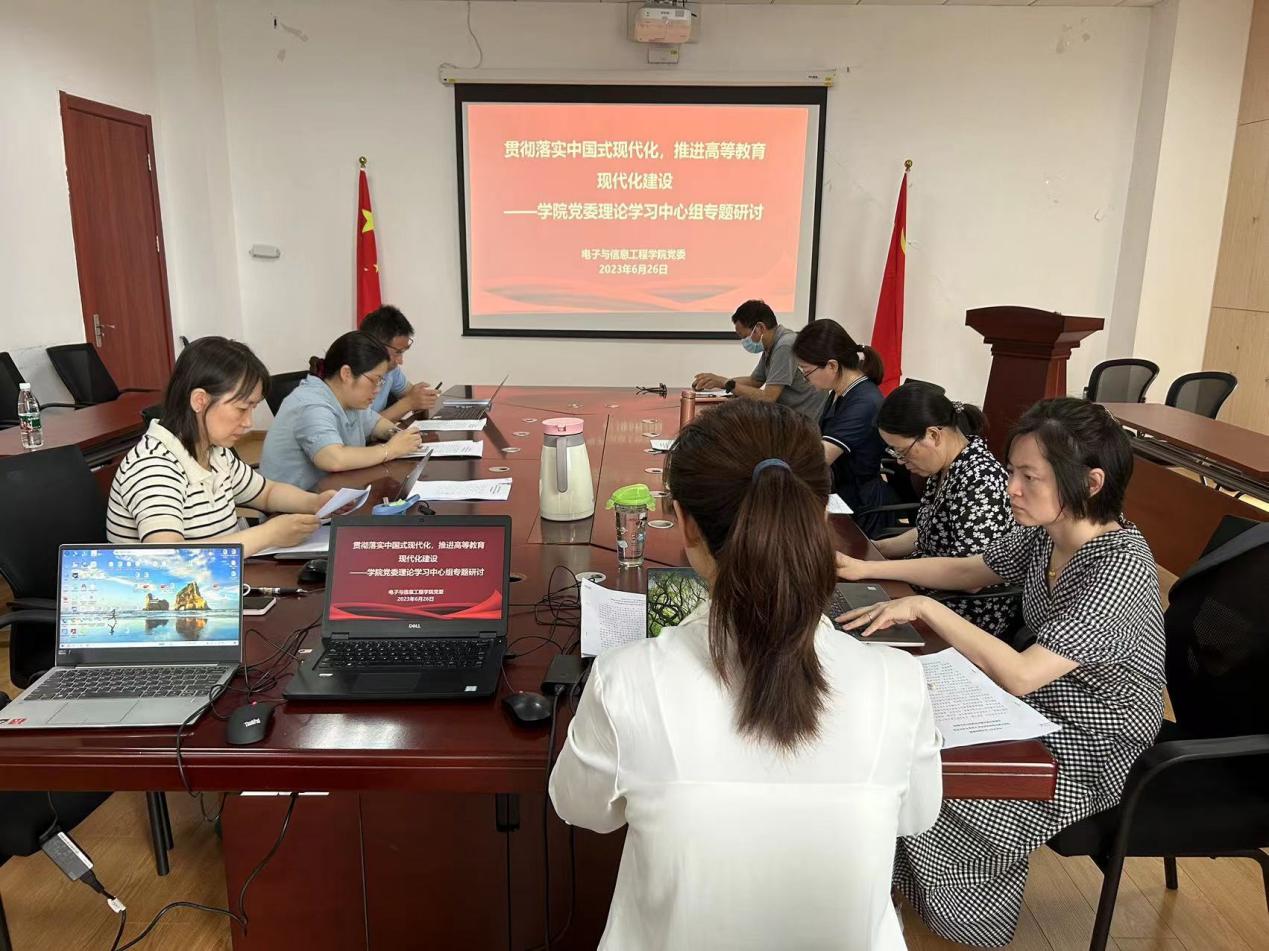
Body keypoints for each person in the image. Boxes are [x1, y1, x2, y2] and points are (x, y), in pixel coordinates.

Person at [550, 399, 941, 950]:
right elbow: (916, 817)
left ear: (684, 522)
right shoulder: (897, 681)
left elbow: (581, 808)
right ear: (817, 516)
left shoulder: (626, 680)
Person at [835, 398, 1166, 947]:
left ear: (1090, 483)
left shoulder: (1120, 565)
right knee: (901, 733)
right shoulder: (1049, 531)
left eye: (1028, 476)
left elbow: (1022, 675)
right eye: (1013, 471)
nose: (1011, 488)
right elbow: (972, 569)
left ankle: (971, 922)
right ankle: (891, 891)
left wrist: (923, 606)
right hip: (1041, 704)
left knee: (938, 776)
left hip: (1096, 737)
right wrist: (867, 568)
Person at [107, 337, 348, 557]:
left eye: (253, 408)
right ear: (200, 401)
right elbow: (170, 558)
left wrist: (315, 503)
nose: (249, 422)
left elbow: (266, 493)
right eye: (242, 409)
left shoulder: (214, 452)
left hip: (223, 579)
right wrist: (268, 535)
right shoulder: (154, 467)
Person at [872, 381, 1018, 637]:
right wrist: (877, 549)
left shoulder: (980, 480)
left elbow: (968, 578)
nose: (901, 461)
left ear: (933, 435)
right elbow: (929, 532)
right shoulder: (946, 467)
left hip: (963, 612)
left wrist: (871, 567)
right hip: (929, 592)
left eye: (902, 451)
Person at [259, 331, 423, 491]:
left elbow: (376, 423)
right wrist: (390, 450)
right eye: (375, 380)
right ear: (346, 374)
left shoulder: (348, 399)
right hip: (296, 505)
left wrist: (397, 435)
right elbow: (333, 459)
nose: (377, 389)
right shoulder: (310, 404)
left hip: (334, 492)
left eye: (381, 381)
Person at [791, 317, 896, 536]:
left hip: (859, 506)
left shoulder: (864, 402)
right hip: (840, 491)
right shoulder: (840, 391)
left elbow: (820, 457)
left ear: (832, 365)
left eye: (806, 371)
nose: (805, 379)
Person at [691, 299, 826, 423]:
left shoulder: (785, 345)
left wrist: (727, 383)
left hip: (802, 420)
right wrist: (718, 381)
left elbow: (768, 397)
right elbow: (755, 381)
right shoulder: (772, 344)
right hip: (788, 415)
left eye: (744, 336)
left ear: (760, 328)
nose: (744, 341)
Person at [359, 305, 442, 422]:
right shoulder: (355, 375)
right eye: (397, 352)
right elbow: (361, 427)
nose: (400, 361)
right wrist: (408, 403)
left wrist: (421, 398)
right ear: (375, 346)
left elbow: (410, 393)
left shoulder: (391, 370)